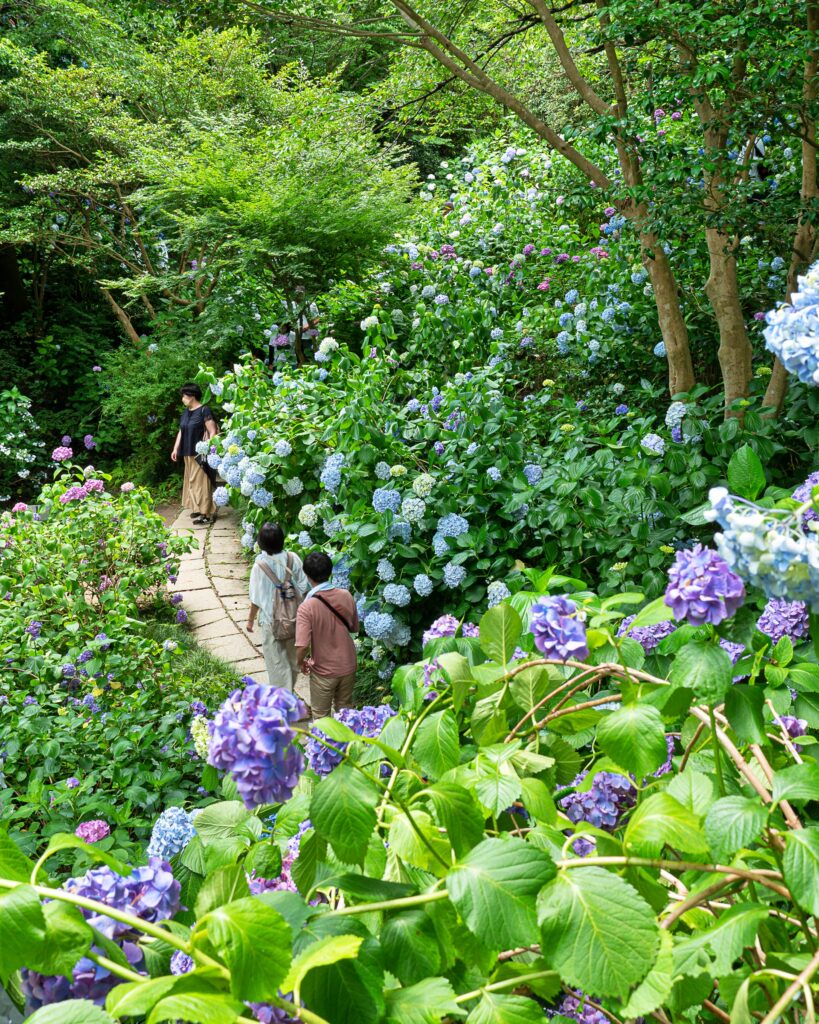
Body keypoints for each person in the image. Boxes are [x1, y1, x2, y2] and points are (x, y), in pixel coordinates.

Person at [295, 551, 359, 719]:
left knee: (321, 717)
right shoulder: (346, 595)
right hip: (348, 665)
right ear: (330, 571)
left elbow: (302, 645)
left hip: (323, 671)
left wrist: (300, 662)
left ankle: (324, 745)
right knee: (345, 713)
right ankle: (347, 744)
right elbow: (353, 627)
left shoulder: (306, 607)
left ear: (307, 575)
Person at [246, 523, 308, 691]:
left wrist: (250, 620)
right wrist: (290, 599)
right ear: (282, 539)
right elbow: (303, 585)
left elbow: (255, 598)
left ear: (260, 543)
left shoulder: (259, 566)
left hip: (270, 621)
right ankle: (289, 697)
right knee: (292, 660)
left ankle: (285, 706)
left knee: (277, 664)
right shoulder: (292, 558)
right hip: (294, 619)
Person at [170, 383, 218, 524]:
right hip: (187, 452)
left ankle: (207, 514)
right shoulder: (186, 412)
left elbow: (213, 431)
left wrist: (208, 448)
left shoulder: (204, 410)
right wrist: (175, 448)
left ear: (192, 397)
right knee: (191, 483)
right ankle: (198, 509)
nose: (182, 399)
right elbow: (181, 431)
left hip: (199, 455)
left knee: (201, 484)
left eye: (184, 396)